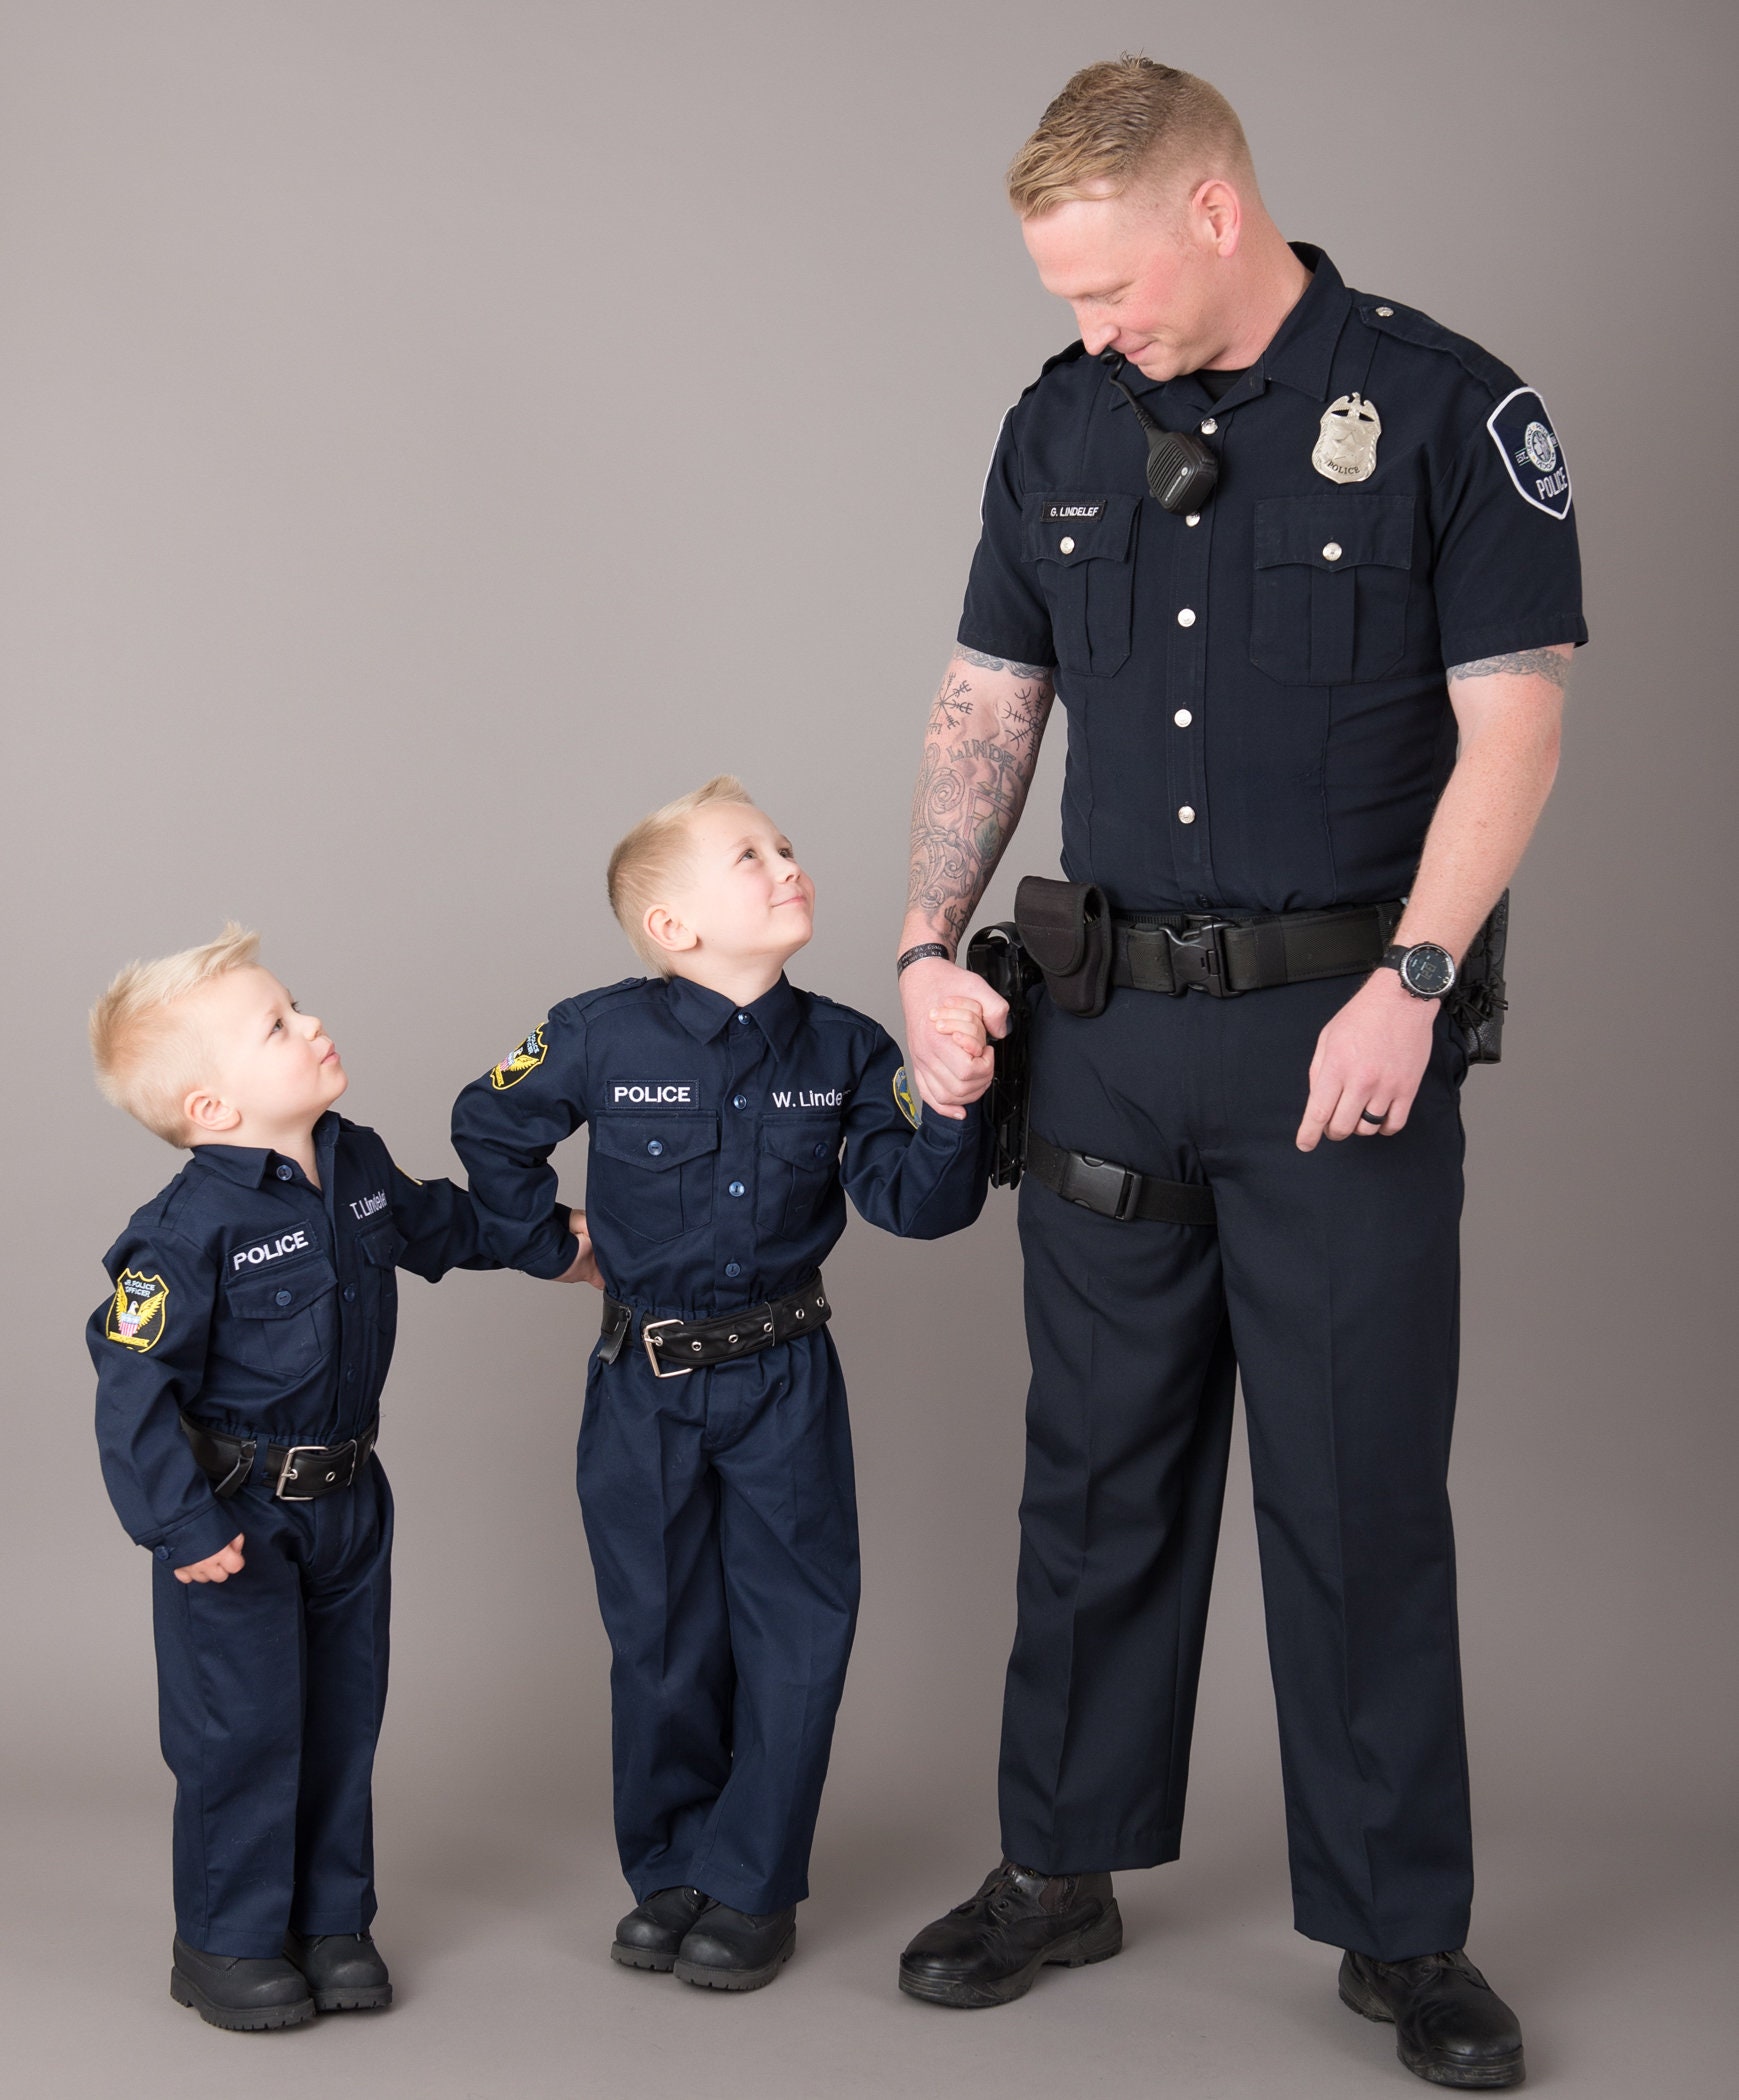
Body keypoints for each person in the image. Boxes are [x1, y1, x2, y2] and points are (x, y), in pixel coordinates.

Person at [891, 59, 1583, 2091]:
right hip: (1101, 1038)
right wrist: (926, 948)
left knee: (1354, 1488)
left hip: (1333, 1046)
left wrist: (1410, 978)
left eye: (1102, 287)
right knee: (1091, 1477)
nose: (1080, 329)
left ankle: (1398, 1930)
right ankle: (1057, 1865)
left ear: (1209, 212)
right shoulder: (1056, 421)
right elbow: (983, 695)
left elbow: (1510, 731)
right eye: (1059, 298)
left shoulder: (1447, 408)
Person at [450, 775, 991, 1992]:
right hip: (641, 1384)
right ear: (673, 929)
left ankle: (752, 1883)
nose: (784, 863)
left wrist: (954, 1110)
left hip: (785, 1379)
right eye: (747, 855)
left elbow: (911, 1204)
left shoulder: (848, 1046)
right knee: (659, 1639)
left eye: (786, 845)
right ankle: (671, 1870)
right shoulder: (596, 1032)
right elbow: (487, 1124)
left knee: (793, 1636)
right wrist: (552, 1245)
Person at [86, 926, 511, 2029]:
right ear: (213, 1110)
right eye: (276, 1026)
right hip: (237, 1516)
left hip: (349, 1504)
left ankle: (330, 1924)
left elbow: (437, 1224)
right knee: (243, 1729)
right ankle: (225, 1941)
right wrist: (180, 1525)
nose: (311, 1024)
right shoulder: (186, 1232)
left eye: (296, 1004)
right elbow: (130, 1387)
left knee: (341, 1719)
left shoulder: (354, 1159)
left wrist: (555, 1242)